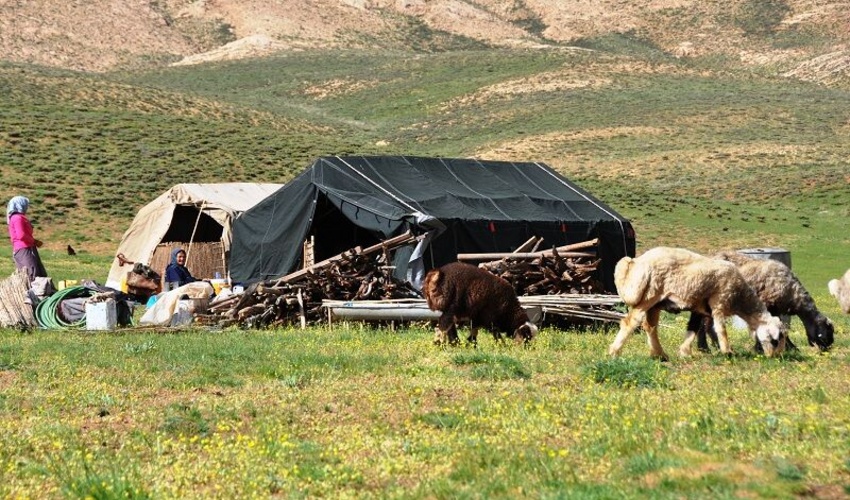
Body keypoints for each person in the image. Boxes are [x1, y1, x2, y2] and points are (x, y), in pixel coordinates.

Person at [6, 196, 48, 282]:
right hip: (24, 249)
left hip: (27, 248)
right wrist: (35, 241)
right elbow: (21, 235)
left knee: (37, 273)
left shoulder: (18, 217)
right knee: (31, 274)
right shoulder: (17, 218)